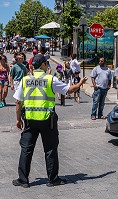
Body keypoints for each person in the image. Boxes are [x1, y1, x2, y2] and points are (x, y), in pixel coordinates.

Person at [12, 54, 88, 188]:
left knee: (26, 150)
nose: (47, 65)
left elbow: (18, 102)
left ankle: (23, 180)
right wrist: (80, 83)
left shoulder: (25, 80)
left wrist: (18, 120)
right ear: (42, 65)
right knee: (50, 149)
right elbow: (68, 90)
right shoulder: (50, 79)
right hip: (48, 120)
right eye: (46, 63)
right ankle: (53, 179)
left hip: (29, 120)